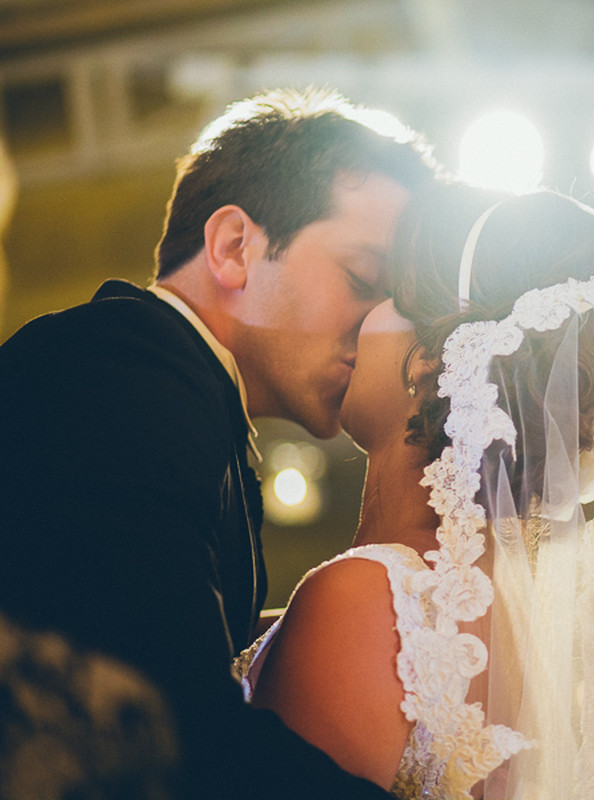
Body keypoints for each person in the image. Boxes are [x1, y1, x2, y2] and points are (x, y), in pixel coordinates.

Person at [0, 87, 439, 799]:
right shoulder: (118, 376)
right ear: (235, 247)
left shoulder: (180, 395)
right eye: (363, 278)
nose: (379, 327)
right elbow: (165, 721)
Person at [235, 187, 594, 799]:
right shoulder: (518, 622)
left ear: (434, 358)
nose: (355, 318)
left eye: (382, 291)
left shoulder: (368, 601)